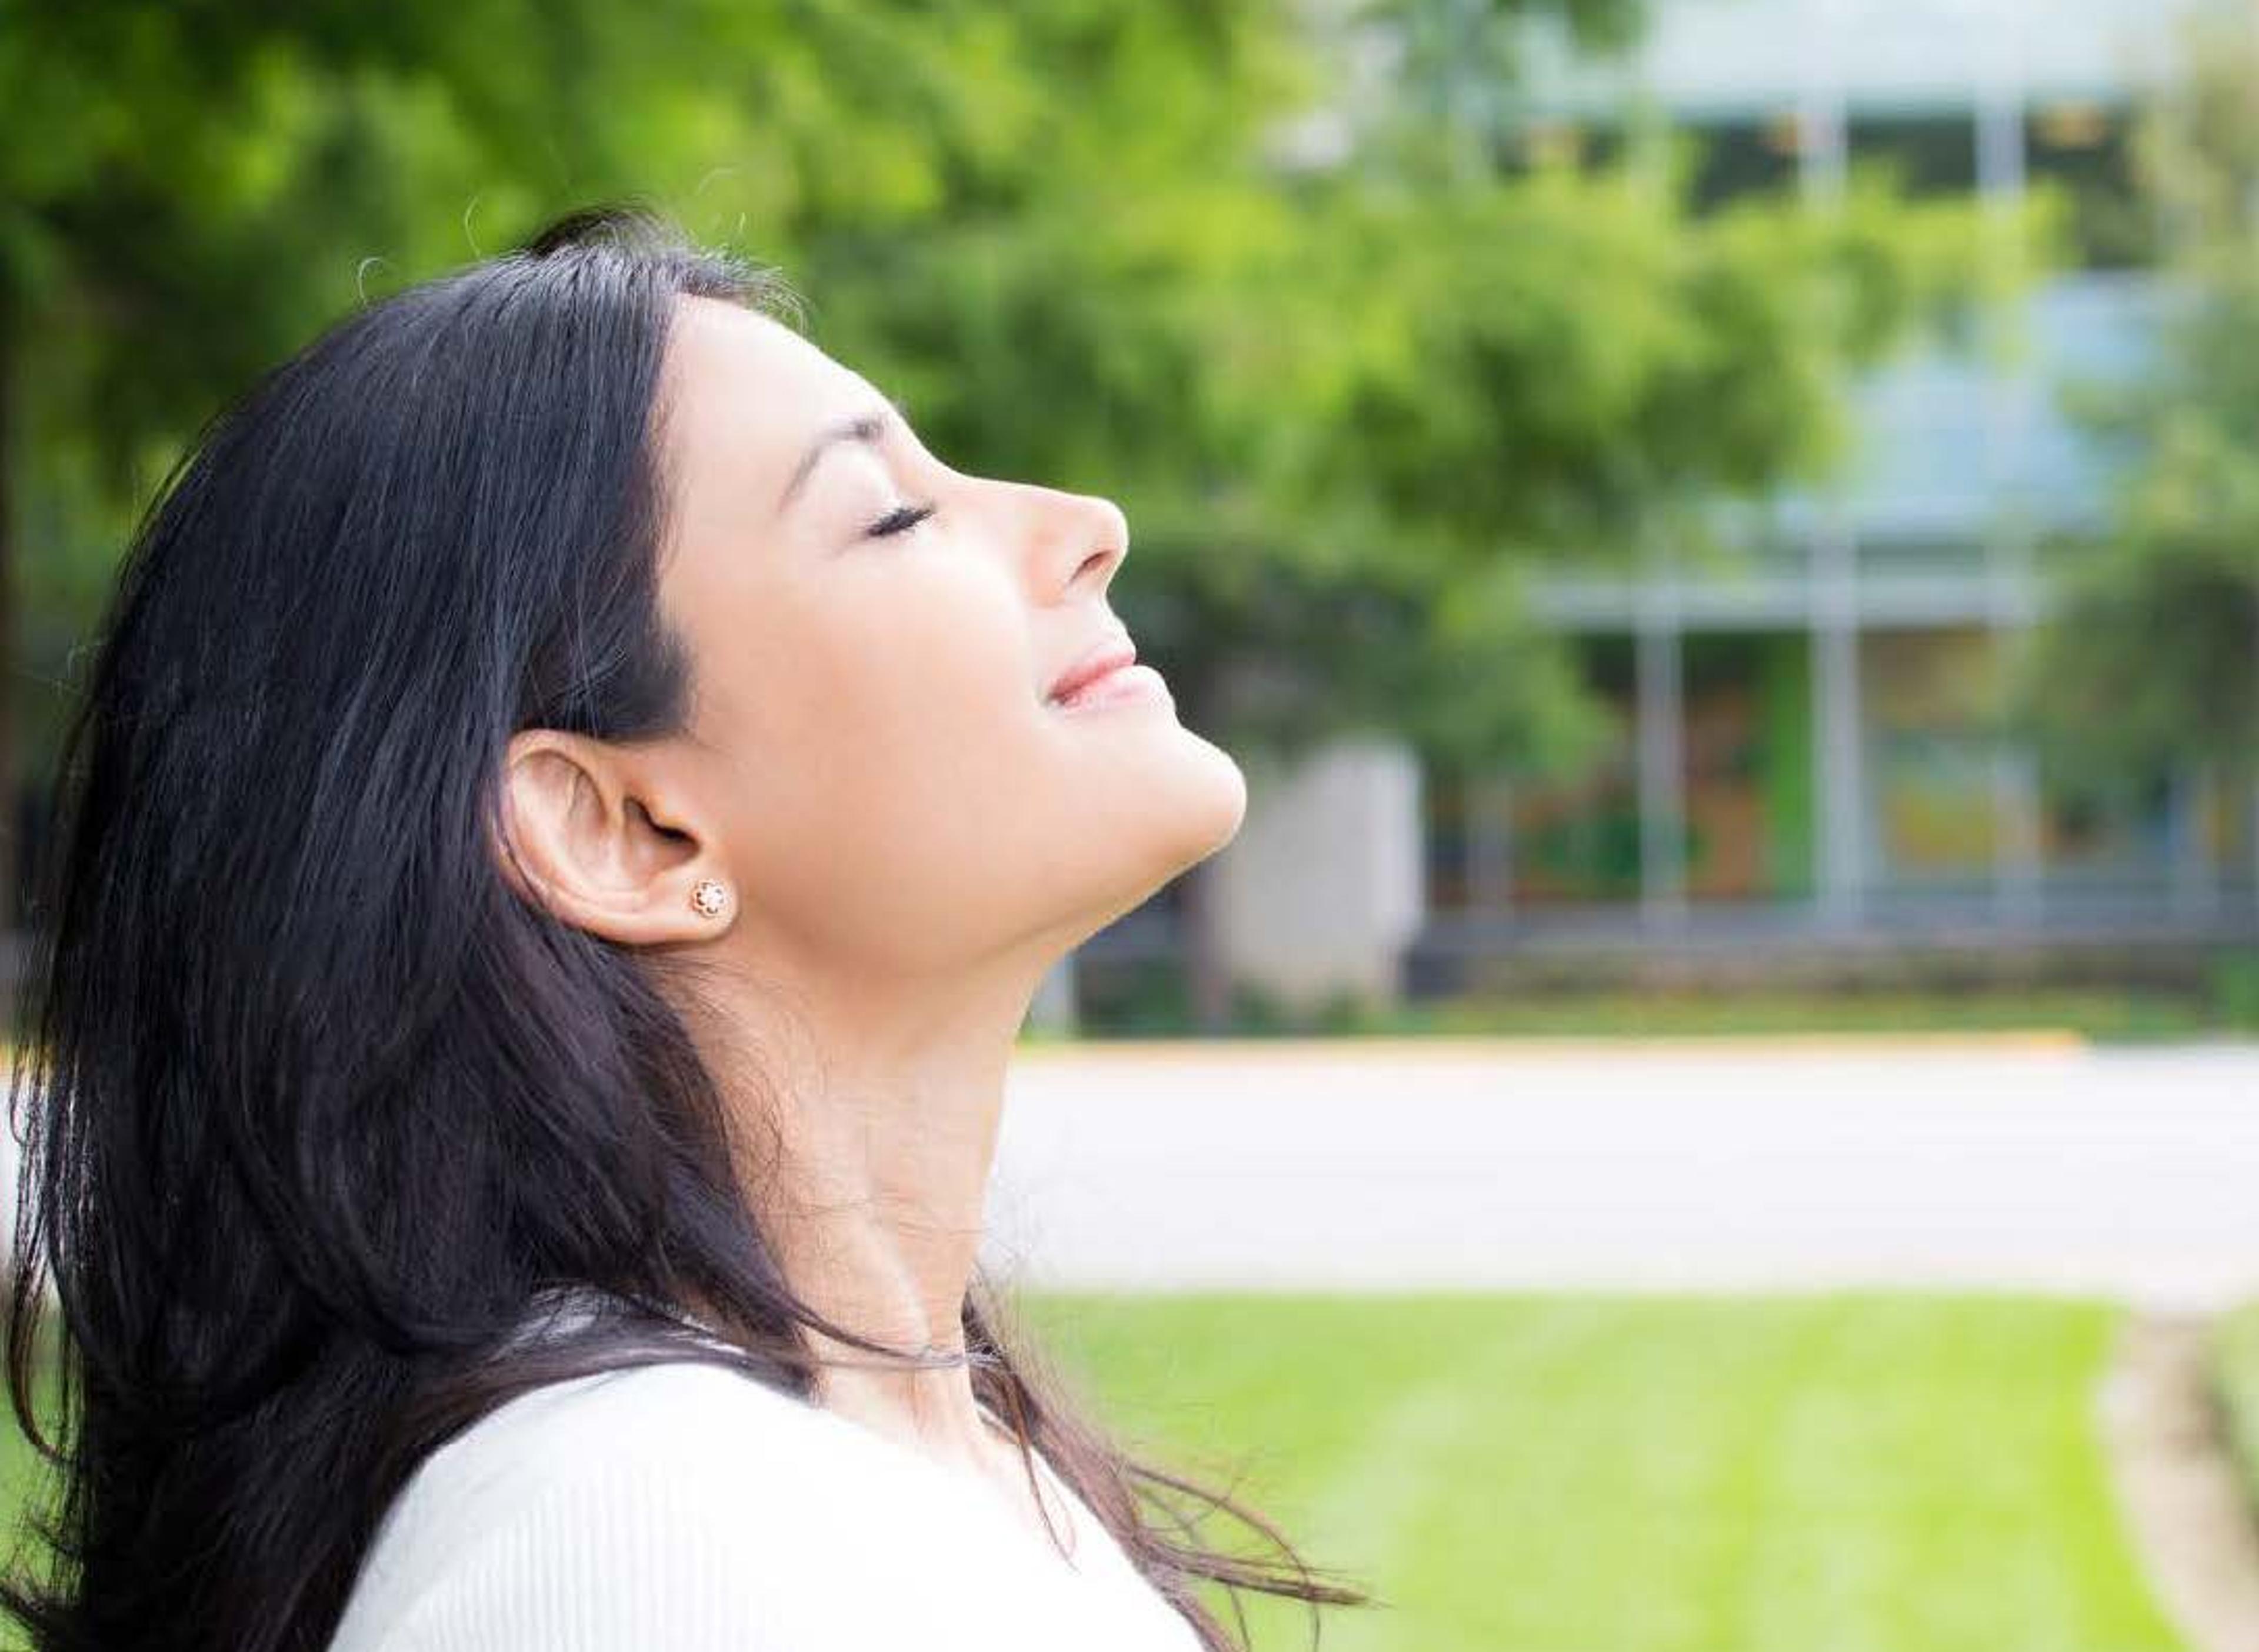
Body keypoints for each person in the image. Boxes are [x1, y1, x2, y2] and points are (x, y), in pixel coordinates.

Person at [0, 201, 1370, 1651]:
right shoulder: (642, 1534)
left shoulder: (890, 1472)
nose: (1089, 530)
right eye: (895, 514)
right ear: (623, 831)